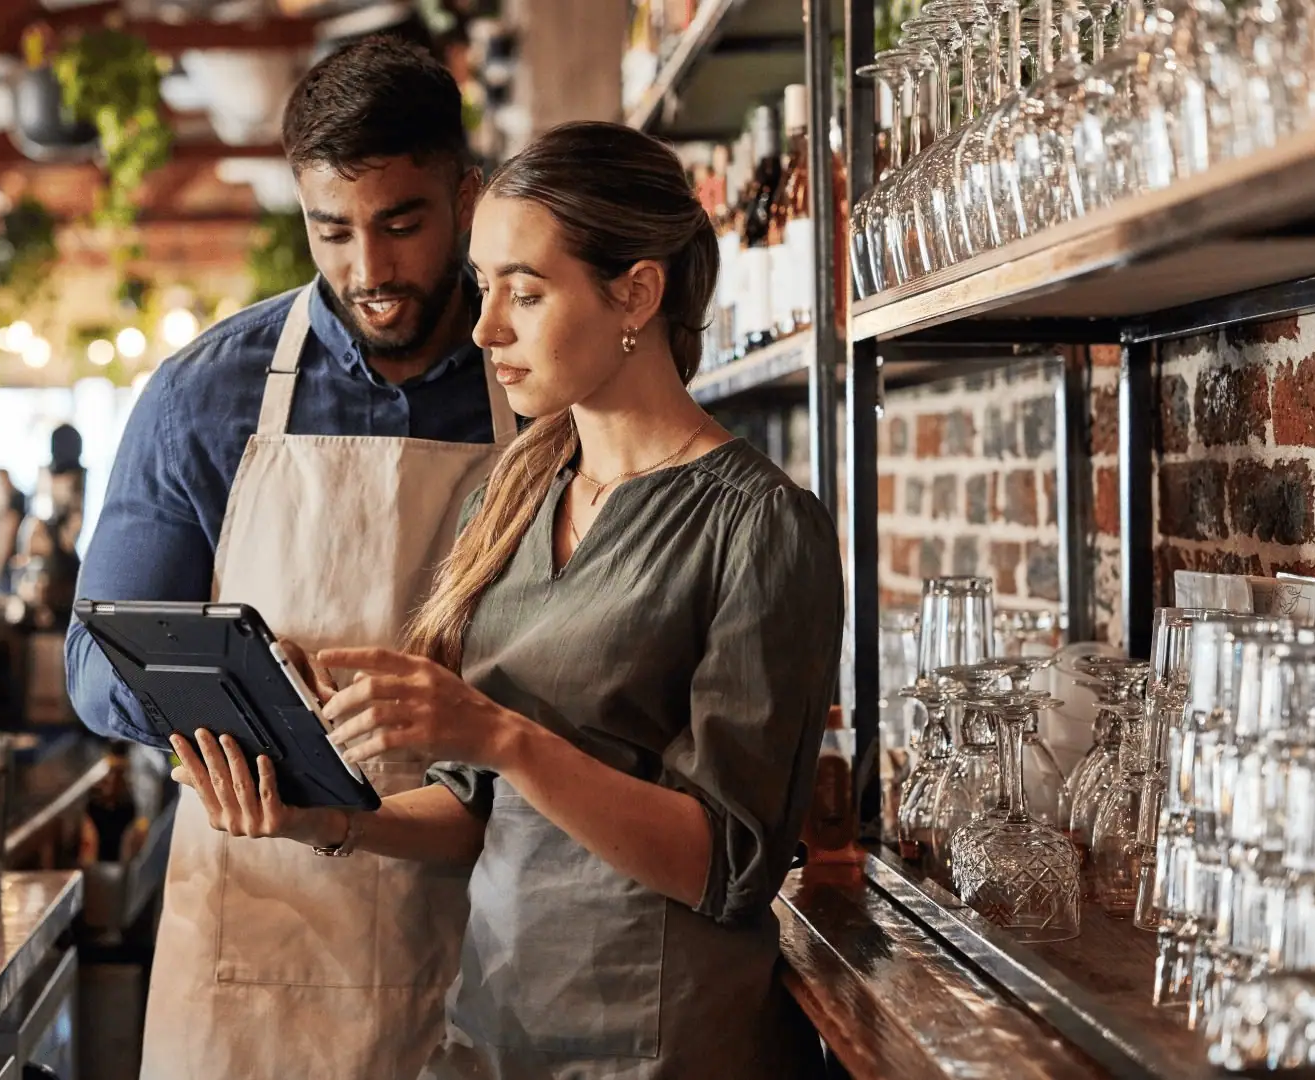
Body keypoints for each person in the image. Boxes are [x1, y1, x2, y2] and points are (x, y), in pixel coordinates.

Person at [169, 121, 847, 1079]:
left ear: (637, 294)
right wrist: (321, 819)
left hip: (662, 1046)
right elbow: (482, 811)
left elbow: (728, 865)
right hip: (493, 1032)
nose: (487, 328)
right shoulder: (516, 493)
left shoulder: (763, 526)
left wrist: (498, 733)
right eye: (484, 288)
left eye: (524, 293)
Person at [64, 36, 516, 1080]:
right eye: (333, 231)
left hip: (484, 913)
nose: (370, 271)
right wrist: (238, 691)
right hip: (260, 934)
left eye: (402, 225)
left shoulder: (531, 384)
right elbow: (93, 671)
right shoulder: (203, 397)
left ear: (465, 195)